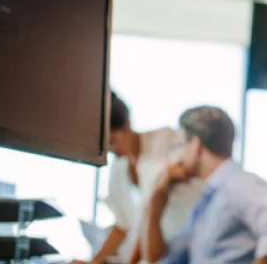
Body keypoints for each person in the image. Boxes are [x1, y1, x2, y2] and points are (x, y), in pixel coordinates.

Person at [142, 105, 267, 264]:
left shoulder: (239, 183)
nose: (178, 156)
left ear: (196, 145)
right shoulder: (209, 200)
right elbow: (159, 259)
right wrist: (156, 202)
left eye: (180, 146)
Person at [74, 92, 202, 264]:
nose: (110, 149)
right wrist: (93, 262)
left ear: (126, 125)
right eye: (105, 145)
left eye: (112, 141)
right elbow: (122, 226)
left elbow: (151, 215)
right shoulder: (118, 168)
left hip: (178, 250)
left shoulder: (167, 141)